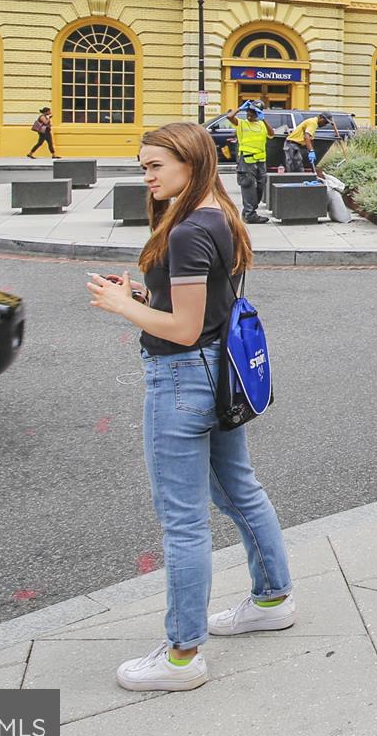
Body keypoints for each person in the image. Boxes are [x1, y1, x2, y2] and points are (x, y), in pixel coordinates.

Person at [85, 122, 293, 692]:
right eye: (143, 166)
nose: (146, 176)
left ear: (189, 162)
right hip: (213, 373)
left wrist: (117, 306)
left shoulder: (186, 231)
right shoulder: (218, 214)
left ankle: (182, 656)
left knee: (182, 519)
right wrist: (143, 296)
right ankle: (272, 599)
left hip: (181, 378)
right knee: (238, 489)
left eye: (155, 165)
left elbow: (182, 328)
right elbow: (199, 306)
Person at [233, 102, 272, 224]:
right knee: (248, 186)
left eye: (253, 112)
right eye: (248, 112)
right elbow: (229, 116)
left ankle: (249, 212)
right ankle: (250, 214)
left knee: (260, 187)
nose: (249, 115)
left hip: (260, 161)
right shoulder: (241, 124)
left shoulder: (261, 124)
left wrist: (264, 119)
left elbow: (271, 134)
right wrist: (239, 108)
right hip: (246, 160)